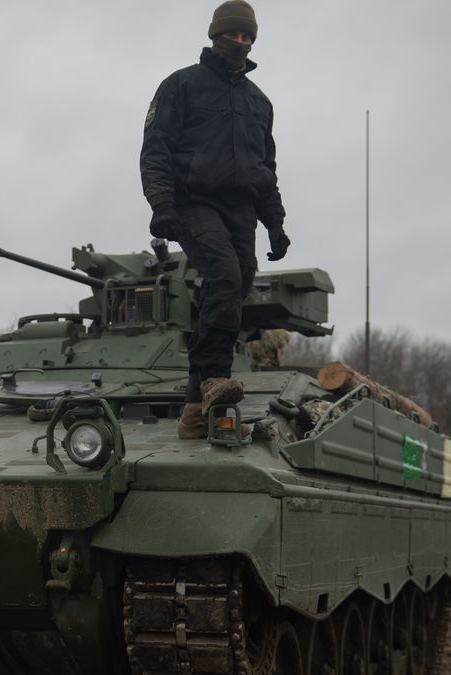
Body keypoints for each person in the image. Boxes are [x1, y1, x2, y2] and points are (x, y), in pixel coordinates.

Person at [140, 0, 291, 439]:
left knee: (239, 281)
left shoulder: (258, 102)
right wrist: (162, 204)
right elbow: (156, 149)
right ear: (215, 35)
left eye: (247, 37)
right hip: (192, 202)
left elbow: (265, 169)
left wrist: (275, 222)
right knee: (223, 275)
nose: (240, 42)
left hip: (241, 210)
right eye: (233, 34)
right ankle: (212, 378)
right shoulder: (181, 85)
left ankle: (193, 411)